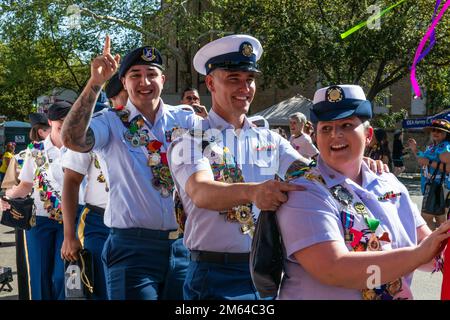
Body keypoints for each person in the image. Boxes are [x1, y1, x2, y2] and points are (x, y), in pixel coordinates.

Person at [167, 34, 323, 300]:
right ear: (210, 83)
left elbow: (309, 173)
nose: (245, 88)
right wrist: (253, 192)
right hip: (214, 274)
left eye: (249, 80)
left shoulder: (270, 139)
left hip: (267, 272)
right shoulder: (190, 139)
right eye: (233, 79)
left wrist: (355, 165)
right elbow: (202, 192)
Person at [276, 84, 450, 300]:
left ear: (368, 135)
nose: (335, 135)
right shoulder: (303, 191)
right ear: (316, 136)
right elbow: (333, 269)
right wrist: (417, 255)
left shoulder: (389, 183)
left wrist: (441, 242)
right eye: (326, 128)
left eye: (347, 125)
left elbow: (430, 252)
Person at [61, 36, 200, 300]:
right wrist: (95, 83)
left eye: (151, 74)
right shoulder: (110, 122)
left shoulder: (185, 119)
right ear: (123, 82)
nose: (144, 82)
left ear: (163, 80)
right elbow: (72, 139)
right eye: (135, 74)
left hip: (184, 246)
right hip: (131, 248)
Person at [1, 102, 72, 300]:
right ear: (50, 122)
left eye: (70, 121)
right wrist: (6, 197)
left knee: (62, 276)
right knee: (39, 275)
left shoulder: (79, 148)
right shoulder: (34, 151)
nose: (65, 126)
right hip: (39, 220)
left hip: (69, 222)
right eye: (60, 122)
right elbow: (25, 185)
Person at [60, 97, 113, 300]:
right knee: (98, 285)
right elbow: (71, 181)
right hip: (98, 221)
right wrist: (69, 235)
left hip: (134, 224)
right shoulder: (90, 132)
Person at [1, 112, 50, 300]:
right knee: (32, 265)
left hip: (44, 213)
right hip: (27, 214)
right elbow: (9, 187)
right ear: (41, 130)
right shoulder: (21, 156)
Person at [408, 119, 450, 230]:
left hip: (439, 187)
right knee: (440, 219)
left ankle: (432, 243)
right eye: (433, 130)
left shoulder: (445, 146)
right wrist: (415, 149)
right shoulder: (432, 147)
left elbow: (448, 167)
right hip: (431, 186)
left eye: (439, 131)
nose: (435, 132)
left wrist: (429, 162)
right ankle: (440, 244)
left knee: (426, 219)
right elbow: (422, 159)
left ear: (446, 134)